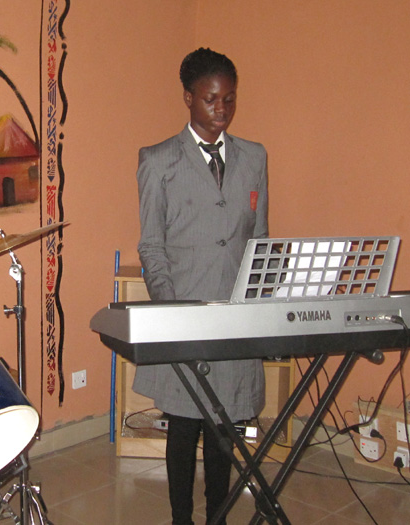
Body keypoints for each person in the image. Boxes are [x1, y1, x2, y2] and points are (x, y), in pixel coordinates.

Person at [134, 47, 269, 525]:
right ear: (188, 98)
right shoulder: (158, 161)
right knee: (184, 424)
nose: (222, 110)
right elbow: (152, 246)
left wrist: (258, 302)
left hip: (232, 313)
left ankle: (218, 515)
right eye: (211, 99)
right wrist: (174, 315)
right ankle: (181, 518)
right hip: (184, 310)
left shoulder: (254, 157)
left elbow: (260, 240)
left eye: (229, 99)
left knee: (223, 425)